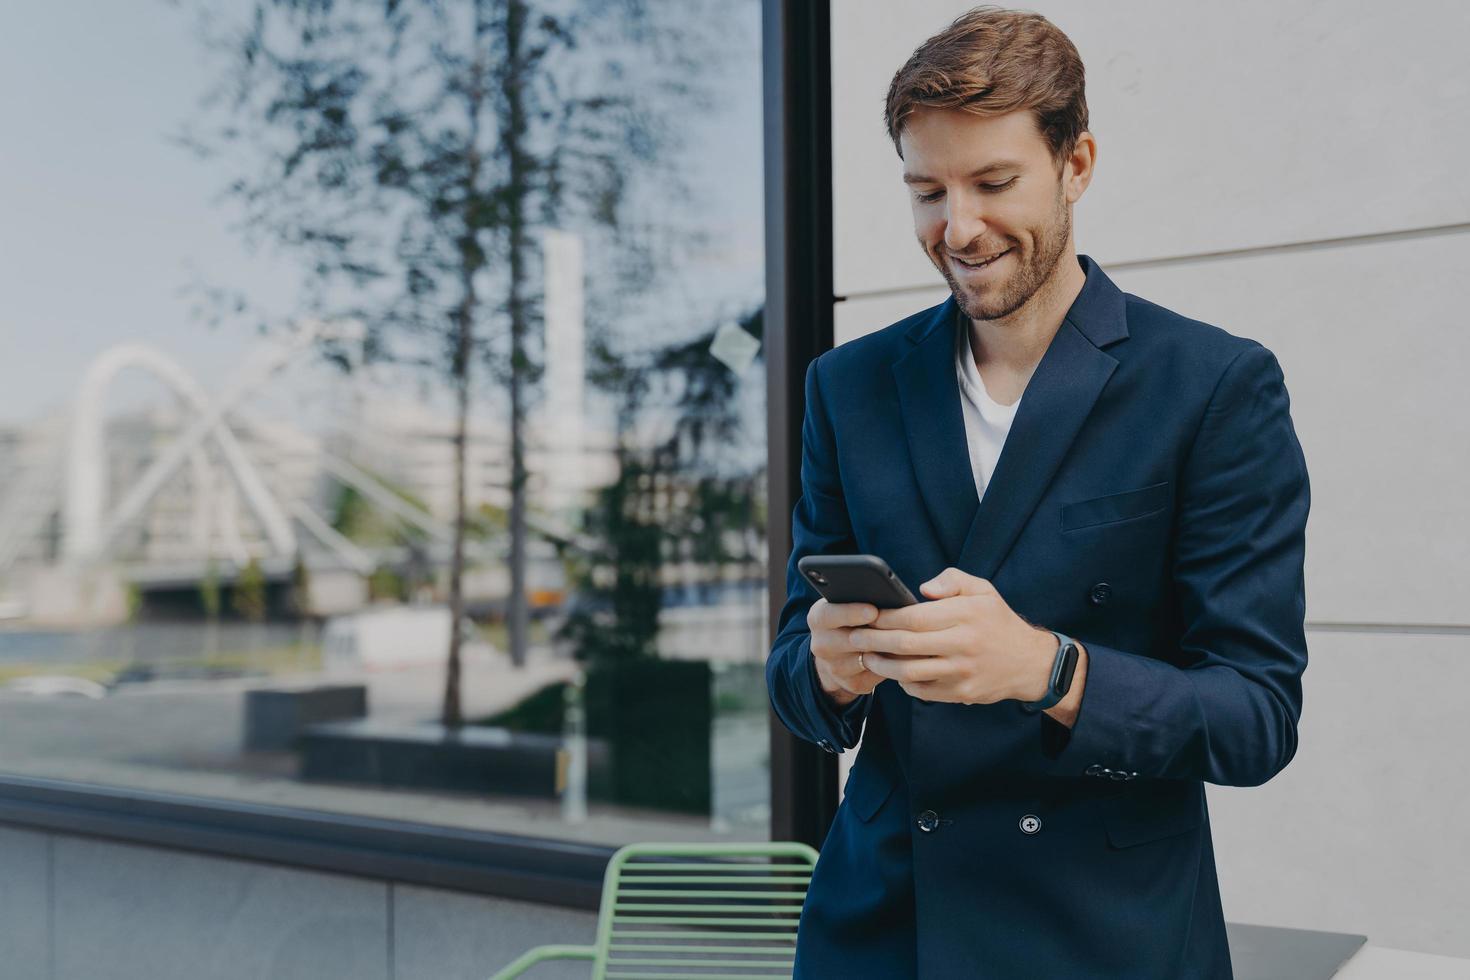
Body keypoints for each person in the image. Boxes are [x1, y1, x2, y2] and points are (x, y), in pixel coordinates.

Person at [766, 6, 1311, 978]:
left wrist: (1048, 669)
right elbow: (793, 678)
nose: (958, 227)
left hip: (1102, 937)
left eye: (993, 182)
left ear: (1078, 164)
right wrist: (829, 668)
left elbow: (1254, 714)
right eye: (927, 190)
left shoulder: (1213, 384)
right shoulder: (845, 387)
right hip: (887, 933)